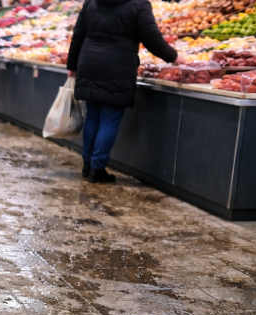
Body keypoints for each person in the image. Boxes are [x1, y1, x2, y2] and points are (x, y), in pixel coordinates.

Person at [67, 0, 184, 183]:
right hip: (118, 67)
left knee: (93, 116)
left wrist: (72, 64)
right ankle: (98, 169)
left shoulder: (91, 2)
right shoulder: (139, 4)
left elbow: (78, 34)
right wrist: (174, 57)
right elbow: (152, 38)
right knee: (109, 120)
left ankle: (87, 164)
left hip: (89, 63)